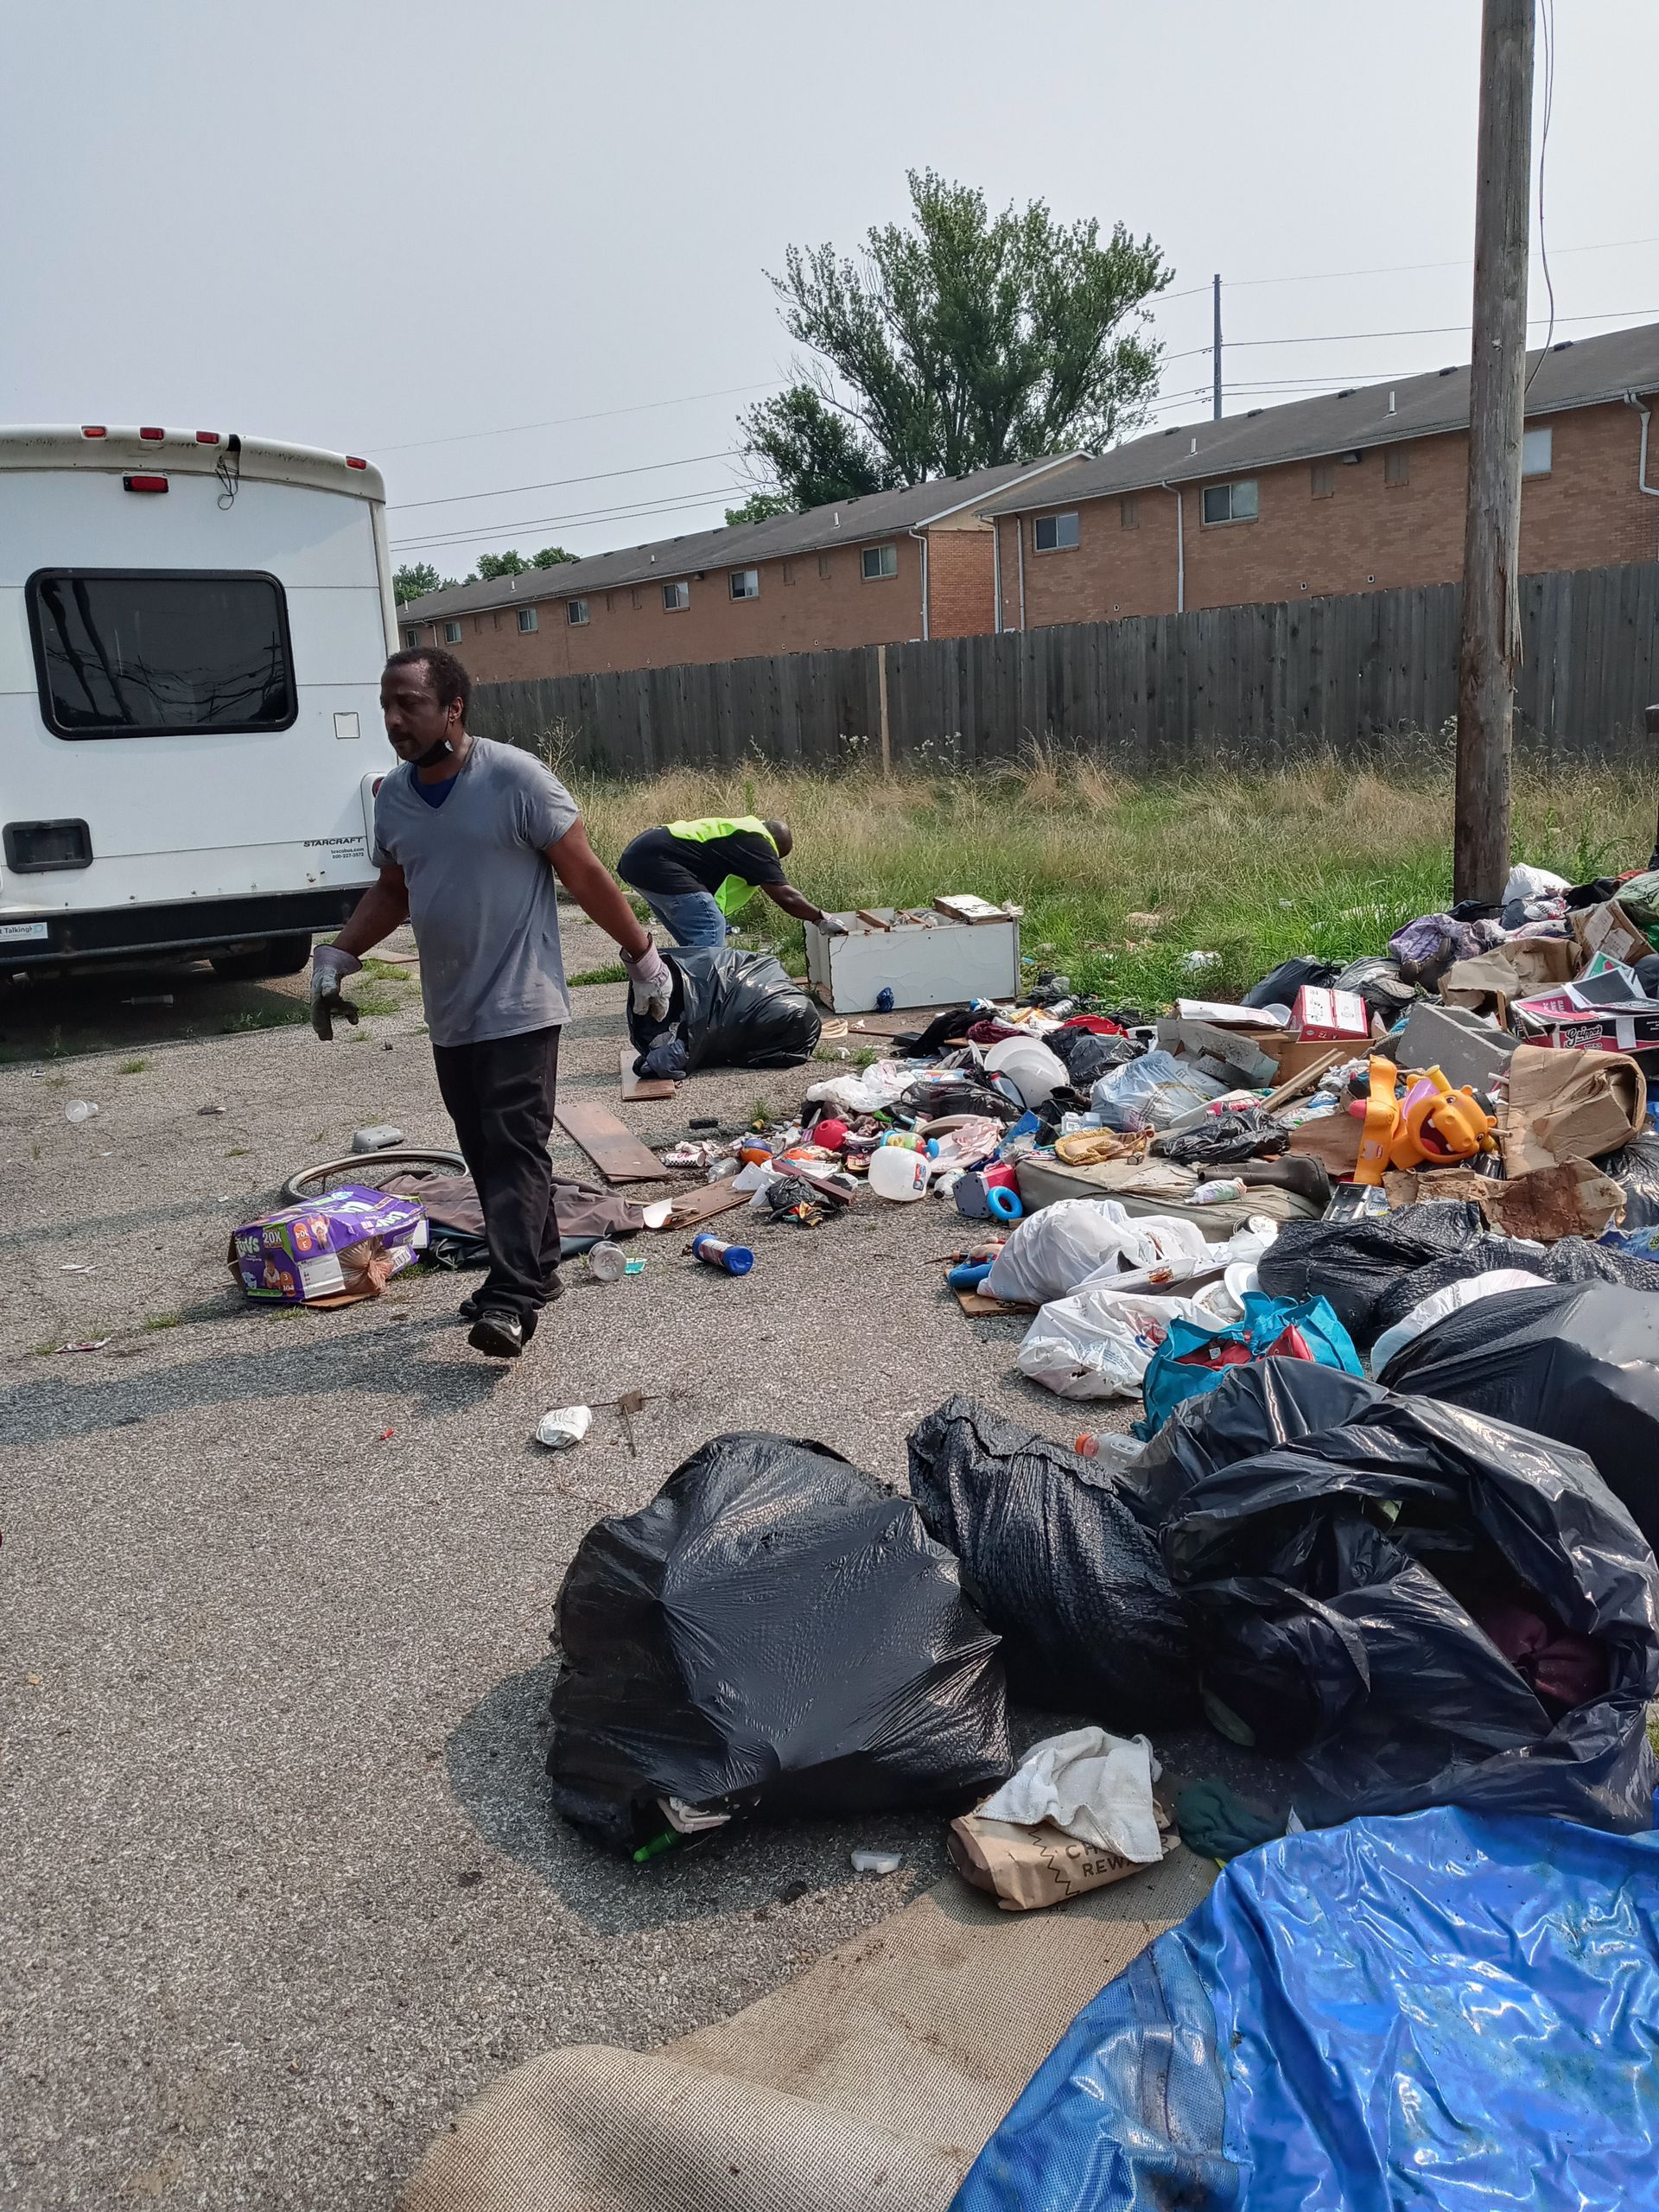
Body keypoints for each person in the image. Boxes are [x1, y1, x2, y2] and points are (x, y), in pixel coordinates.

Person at [308, 646, 671, 1362]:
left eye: (408, 703)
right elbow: (394, 889)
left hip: (521, 1002)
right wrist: (340, 952)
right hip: (451, 1009)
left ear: (453, 708)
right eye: (387, 704)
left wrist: (642, 954)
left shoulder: (515, 778)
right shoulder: (396, 797)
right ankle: (535, 1264)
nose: (393, 719)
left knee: (511, 1149)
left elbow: (585, 872)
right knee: (485, 1149)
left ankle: (510, 1301)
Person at [616, 814, 847, 947]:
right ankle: (708, 1006)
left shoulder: (741, 831)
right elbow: (786, 896)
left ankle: (681, 994)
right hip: (655, 861)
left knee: (696, 944)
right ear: (774, 850)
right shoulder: (759, 844)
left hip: (638, 859)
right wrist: (820, 917)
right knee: (710, 926)